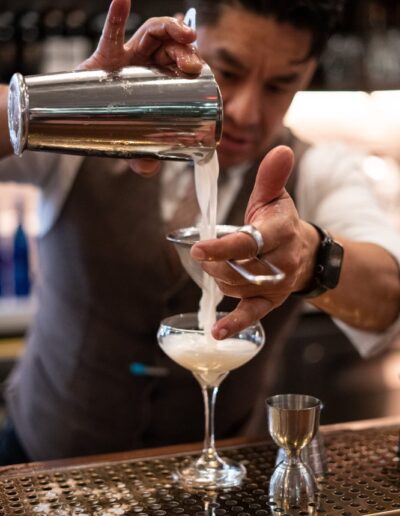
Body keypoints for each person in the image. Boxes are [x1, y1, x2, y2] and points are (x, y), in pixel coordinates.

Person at [0, 0, 399, 466]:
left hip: (218, 478)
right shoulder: (91, 131)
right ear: (185, 40)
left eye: (279, 85)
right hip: (47, 461)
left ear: (307, 74)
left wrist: (309, 257)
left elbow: (388, 297)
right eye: (227, 72)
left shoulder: (315, 169)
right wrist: (63, 104)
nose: (248, 111)